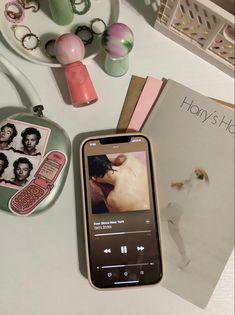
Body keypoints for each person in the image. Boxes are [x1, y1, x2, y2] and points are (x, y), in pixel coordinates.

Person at [161, 168, 209, 269]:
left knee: (155, 218)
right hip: (178, 209)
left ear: (200, 176)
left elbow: (190, 193)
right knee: (174, 233)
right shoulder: (190, 182)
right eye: (195, 170)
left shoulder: (194, 183)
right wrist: (179, 184)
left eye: (197, 172)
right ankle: (184, 257)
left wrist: (182, 185)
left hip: (175, 207)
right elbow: (176, 185)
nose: (195, 171)